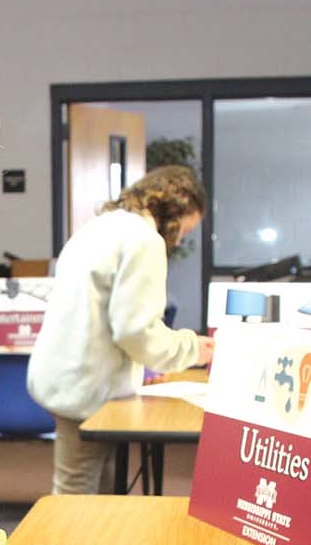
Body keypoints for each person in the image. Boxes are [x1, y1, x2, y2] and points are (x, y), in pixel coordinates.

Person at [27, 165, 215, 494]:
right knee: (75, 494)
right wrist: (192, 348)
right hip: (86, 385)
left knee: (97, 487)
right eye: (184, 230)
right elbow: (135, 330)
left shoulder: (100, 227)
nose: (179, 239)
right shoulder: (144, 240)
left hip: (67, 374)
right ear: (174, 212)